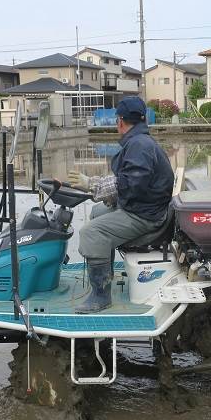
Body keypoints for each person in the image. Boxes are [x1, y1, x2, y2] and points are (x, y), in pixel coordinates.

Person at [67, 97, 174, 313]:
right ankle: (106, 273)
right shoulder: (142, 141)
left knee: (90, 233)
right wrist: (99, 191)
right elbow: (133, 182)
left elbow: (131, 184)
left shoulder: (139, 145)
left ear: (120, 121)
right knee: (97, 212)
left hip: (145, 215)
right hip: (146, 206)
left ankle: (100, 296)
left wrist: (92, 184)